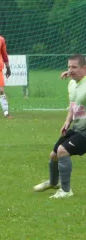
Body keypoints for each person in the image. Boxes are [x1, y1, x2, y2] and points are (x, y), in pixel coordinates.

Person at [34, 54, 86, 198]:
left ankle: (66, 190)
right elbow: (73, 106)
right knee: (54, 155)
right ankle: (53, 182)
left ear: (84, 68)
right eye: (69, 67)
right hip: (77, 128)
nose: (70, 70)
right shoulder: (71, 84)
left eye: (74, 67)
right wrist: (67, 122)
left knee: (63, 151)